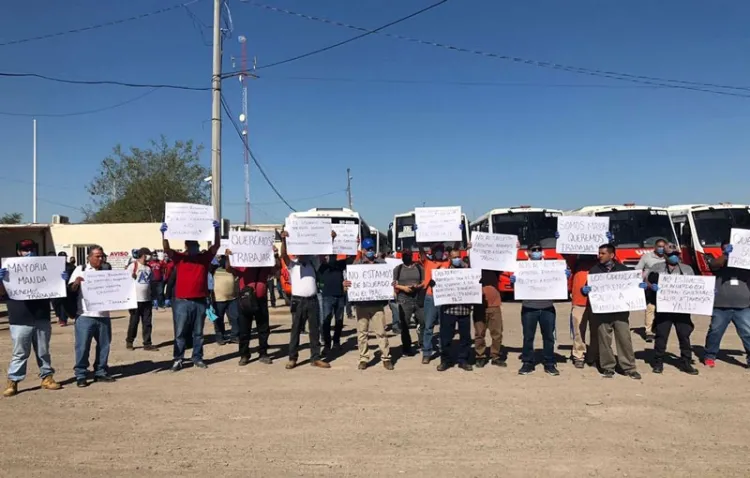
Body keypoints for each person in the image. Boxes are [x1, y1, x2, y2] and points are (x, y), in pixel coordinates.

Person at [1, 239, 65, 397]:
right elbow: (2, 293)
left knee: (43, 351)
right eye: (24, 249)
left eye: (31, 249)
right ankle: (13, 381)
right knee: (20, 352)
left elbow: (56, 292)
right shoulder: (9, 270)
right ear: (18, 252)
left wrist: (61, 280)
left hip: (41, 317)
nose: (28, 252)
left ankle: (47, 378)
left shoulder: (46, 269)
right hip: (19, 318)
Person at [160, 220, 221, 372]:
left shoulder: (203, 258)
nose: (196, 248)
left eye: (197, 246)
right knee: (180, 333)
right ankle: (178, 359)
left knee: (198, 333)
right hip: (182, 301)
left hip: (200, 301)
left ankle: (197, 358)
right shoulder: (180, 258)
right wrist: (164, 234)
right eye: (193, 246)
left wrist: (216, 232)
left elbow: (216, 246)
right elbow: (167, 249)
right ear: (187, 246)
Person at [583, 243, 643, 380]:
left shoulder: (624, 270)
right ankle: (608, 367)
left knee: (624, 339)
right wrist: (584, 290)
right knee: (604, 340)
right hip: (602, 312)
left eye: (603, 253)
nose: (599, 256)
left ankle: (629, 368)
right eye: (599, 253)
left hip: (620, 312)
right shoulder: (594, 270)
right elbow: (588, 287)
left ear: (612, 255)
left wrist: (639, 287)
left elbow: (631, 288)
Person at [510, 243, 568, 376]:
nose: (536, 252)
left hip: (547, 308)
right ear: (528, 253)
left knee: (548, 337)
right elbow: (516, 286)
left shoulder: (552, 267)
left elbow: (559, 283)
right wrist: (514, 281)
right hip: (529, 308)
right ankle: (527, 363)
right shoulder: (521, 268)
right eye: (534, 250)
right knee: (528, 337)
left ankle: (549, 363)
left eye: (539, 250)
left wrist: (565, 275)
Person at [279, 229, 330, 370]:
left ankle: (315, 358)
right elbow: (283, 255)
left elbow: (324, 251)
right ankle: (292, 358)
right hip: (298, 301)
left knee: (314, 330)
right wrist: (283, 240)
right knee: (296, 330)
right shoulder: (292, 264)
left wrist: (330, 239)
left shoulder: (313, 264)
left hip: (312, 300)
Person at [69, 245, 117, 387]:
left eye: (102, 256)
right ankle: (81, 374)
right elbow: (71, 289)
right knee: (82, 346)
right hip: (85, 315)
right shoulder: (81, 270)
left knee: (104, 345)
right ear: (89, 257)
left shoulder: (107, 270)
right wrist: (76, 283)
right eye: (97, 256)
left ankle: (100, 371)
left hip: (103, 315)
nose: (100, 259)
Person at [647, 244, 698, 375]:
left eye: (676, 254)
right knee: (661, 336)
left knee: (684, 335)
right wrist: (650, 286)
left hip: (682, 309)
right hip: (664, 308)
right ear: (664, 256)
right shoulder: (657, 268)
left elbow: (697, 286)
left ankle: (686, 362)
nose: (674, 257)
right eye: (670, 254)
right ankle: (658, 361)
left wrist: (708, 292)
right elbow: (647, 280)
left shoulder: (687, 269)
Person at [343, 238, 393, 370]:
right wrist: (345, 284)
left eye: (372, 249)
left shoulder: (382, 263)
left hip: (377, 305)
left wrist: (391, 283)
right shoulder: (356, 265)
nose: (370, 251)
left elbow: (389, 279)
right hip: (361, 305)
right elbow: (348, 282)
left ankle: (386, 357)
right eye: (368, 249)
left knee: (381, 332)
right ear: (363, 250)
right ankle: (364, 358)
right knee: (362, 333)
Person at [224, 248, 277, 365]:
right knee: (244, 330)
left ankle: (263, 353)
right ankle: (244, 355)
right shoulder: (242, 264)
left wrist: (274, 255)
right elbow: (229, 269)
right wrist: (228, 257)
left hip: (261, 300)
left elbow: (275, 270)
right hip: (245, 301)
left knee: (263, 329)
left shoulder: (265, 264)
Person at [702, 240, 750, 368]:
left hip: (743, 305)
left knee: (748, 333)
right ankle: (710, 356)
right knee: (715, 331)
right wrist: (726, 255)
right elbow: (713, 265)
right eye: (726, 248)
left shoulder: (745, 265)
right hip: (721, 306)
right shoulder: (719, 264)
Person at [431, 248, 474, 371]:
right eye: (454, 257)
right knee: (446, 337)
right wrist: (435, 284)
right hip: (448, 310)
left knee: (465, 337)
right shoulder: (443, 272)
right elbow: (436, 289)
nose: (457, 259)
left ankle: (463, 360)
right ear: (449, 258)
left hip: (464, 310)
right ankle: (446, 360)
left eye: (458, 256)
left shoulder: (468, 272)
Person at [417, 241, 451, 364]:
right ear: (432, 252)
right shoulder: (427, 262)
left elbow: (455, 251)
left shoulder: (447, 263)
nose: (439, 252)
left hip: (443, 298)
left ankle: (443, 350)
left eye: (441, 250)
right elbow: (421, 252)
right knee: (428, 326)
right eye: (436, 250)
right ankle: (426, 352)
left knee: (444, 326)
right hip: (430, 298)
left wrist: (459, 234)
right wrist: (419, 239)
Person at [568, 254, 599, 368]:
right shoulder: (576, 261)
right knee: (578, 330)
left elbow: (616, 262)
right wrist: (561, 239)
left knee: (596, 330)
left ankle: (593, 356)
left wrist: (610, 242)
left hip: (598, 302)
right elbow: (566, 253)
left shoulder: (602, 261)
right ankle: (578, 355)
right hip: (579, 300)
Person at [393, 251, 425, 356]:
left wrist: (417, 286)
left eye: (408, 255)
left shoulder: (419, 268)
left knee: (423, 321)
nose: (406, 257)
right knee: (405, 324)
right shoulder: (398, 269)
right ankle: (407, 347)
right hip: (404, 299)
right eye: (404, 256)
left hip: (418, 297)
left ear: (412, 256)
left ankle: (423, 342)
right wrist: (404, 288)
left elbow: (424, 281)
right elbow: (394, 284)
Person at [635, 238, 667, 342]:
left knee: (661, 309)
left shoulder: (668, 257)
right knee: (650, 308)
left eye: (663, 247)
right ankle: (648, 331)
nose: (661, 249)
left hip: (665, 287)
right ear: (655, 247)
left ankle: (658, 328)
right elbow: (638, 269)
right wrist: (644, 282)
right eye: (659, 246)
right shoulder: (647, 257)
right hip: (649, 285)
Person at [126, 247, 158, 351]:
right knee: (134, 322)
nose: (150, 257)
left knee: (147, 323)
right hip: (136, 300)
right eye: (148, 255)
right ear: (143, 255)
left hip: (147, 299)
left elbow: (151, 282)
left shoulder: (148, 268)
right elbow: (125, 280)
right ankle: (130, 341)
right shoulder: (133, 266)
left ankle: (147, 343)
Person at [318, 252, 349, 357]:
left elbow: (351, 259)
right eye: (325, 255)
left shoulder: (340, 265)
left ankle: (336, 342)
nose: (326, 257)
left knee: (339, 321)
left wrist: (355, 245)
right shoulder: (322, 267)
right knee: (326, 322)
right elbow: (318, 281)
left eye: (328, 256)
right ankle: (327, 345)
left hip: (340, 296)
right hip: (327, 297)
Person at [474, 265, 505, 368]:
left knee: (497, 332)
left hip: (495, 304)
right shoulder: (473, 267)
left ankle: (495, 356)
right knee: (479, 333)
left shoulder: (495, 266)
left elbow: (506, 261)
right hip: (479, 305)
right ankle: (480, 356)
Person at [211, 255, 239, 346]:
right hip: (218, 299)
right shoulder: (213, 270)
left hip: (232, 298)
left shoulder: (232, 270)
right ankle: (220, 337)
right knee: (218, 319)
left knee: (235, 318)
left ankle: (234, 336)